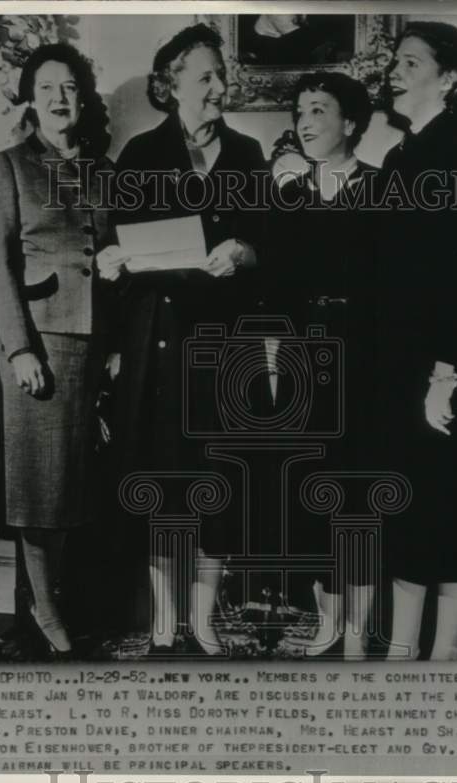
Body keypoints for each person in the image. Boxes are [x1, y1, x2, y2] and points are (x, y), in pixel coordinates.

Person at [109, 23, 267, 655]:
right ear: (169, 85)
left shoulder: (249, 154)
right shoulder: (141, 156)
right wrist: (119, 257)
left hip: (224, 342)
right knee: (162, 477)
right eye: (204, 77)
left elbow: (269, 244)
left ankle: (202, 620)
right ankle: (165, 618)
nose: (218, 88)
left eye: (221, 76)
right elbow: (117, 247)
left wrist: (246, 251)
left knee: (216, 483)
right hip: (162, 340)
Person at [0, 42, 126, 660]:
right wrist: (19, 348)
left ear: (83, 96)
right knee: (39, 487)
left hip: (94, 345)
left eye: (69, 88)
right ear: (30, 100)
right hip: (40, 342)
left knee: (73, 486)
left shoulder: (104, 168)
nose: (60, 99)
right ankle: (43, 609)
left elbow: (115, 252)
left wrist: (116, 345)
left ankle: (49, 600)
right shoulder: (9, 165)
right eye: (47, 90)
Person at [375, 22, 457, 660]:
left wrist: (444, 375)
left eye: (410, 62)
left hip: (441, 365)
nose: (394, 71)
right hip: (402, 363)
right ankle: (403, 655)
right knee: (409, 504)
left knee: (448, 509)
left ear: (450, 77)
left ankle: (445, 657)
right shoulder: (400, 156)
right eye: (395, 61)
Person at [262, 72, 379, 659]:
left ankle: (358, 633)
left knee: (355, 493)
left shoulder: (381, 189)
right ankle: (328, 623)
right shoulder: (286, 192)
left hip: (363, 354)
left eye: (319, 110)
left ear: (351, 123)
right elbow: (272, 280)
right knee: (312, 492)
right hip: (302, 349)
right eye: (300, 110)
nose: (305, 121)